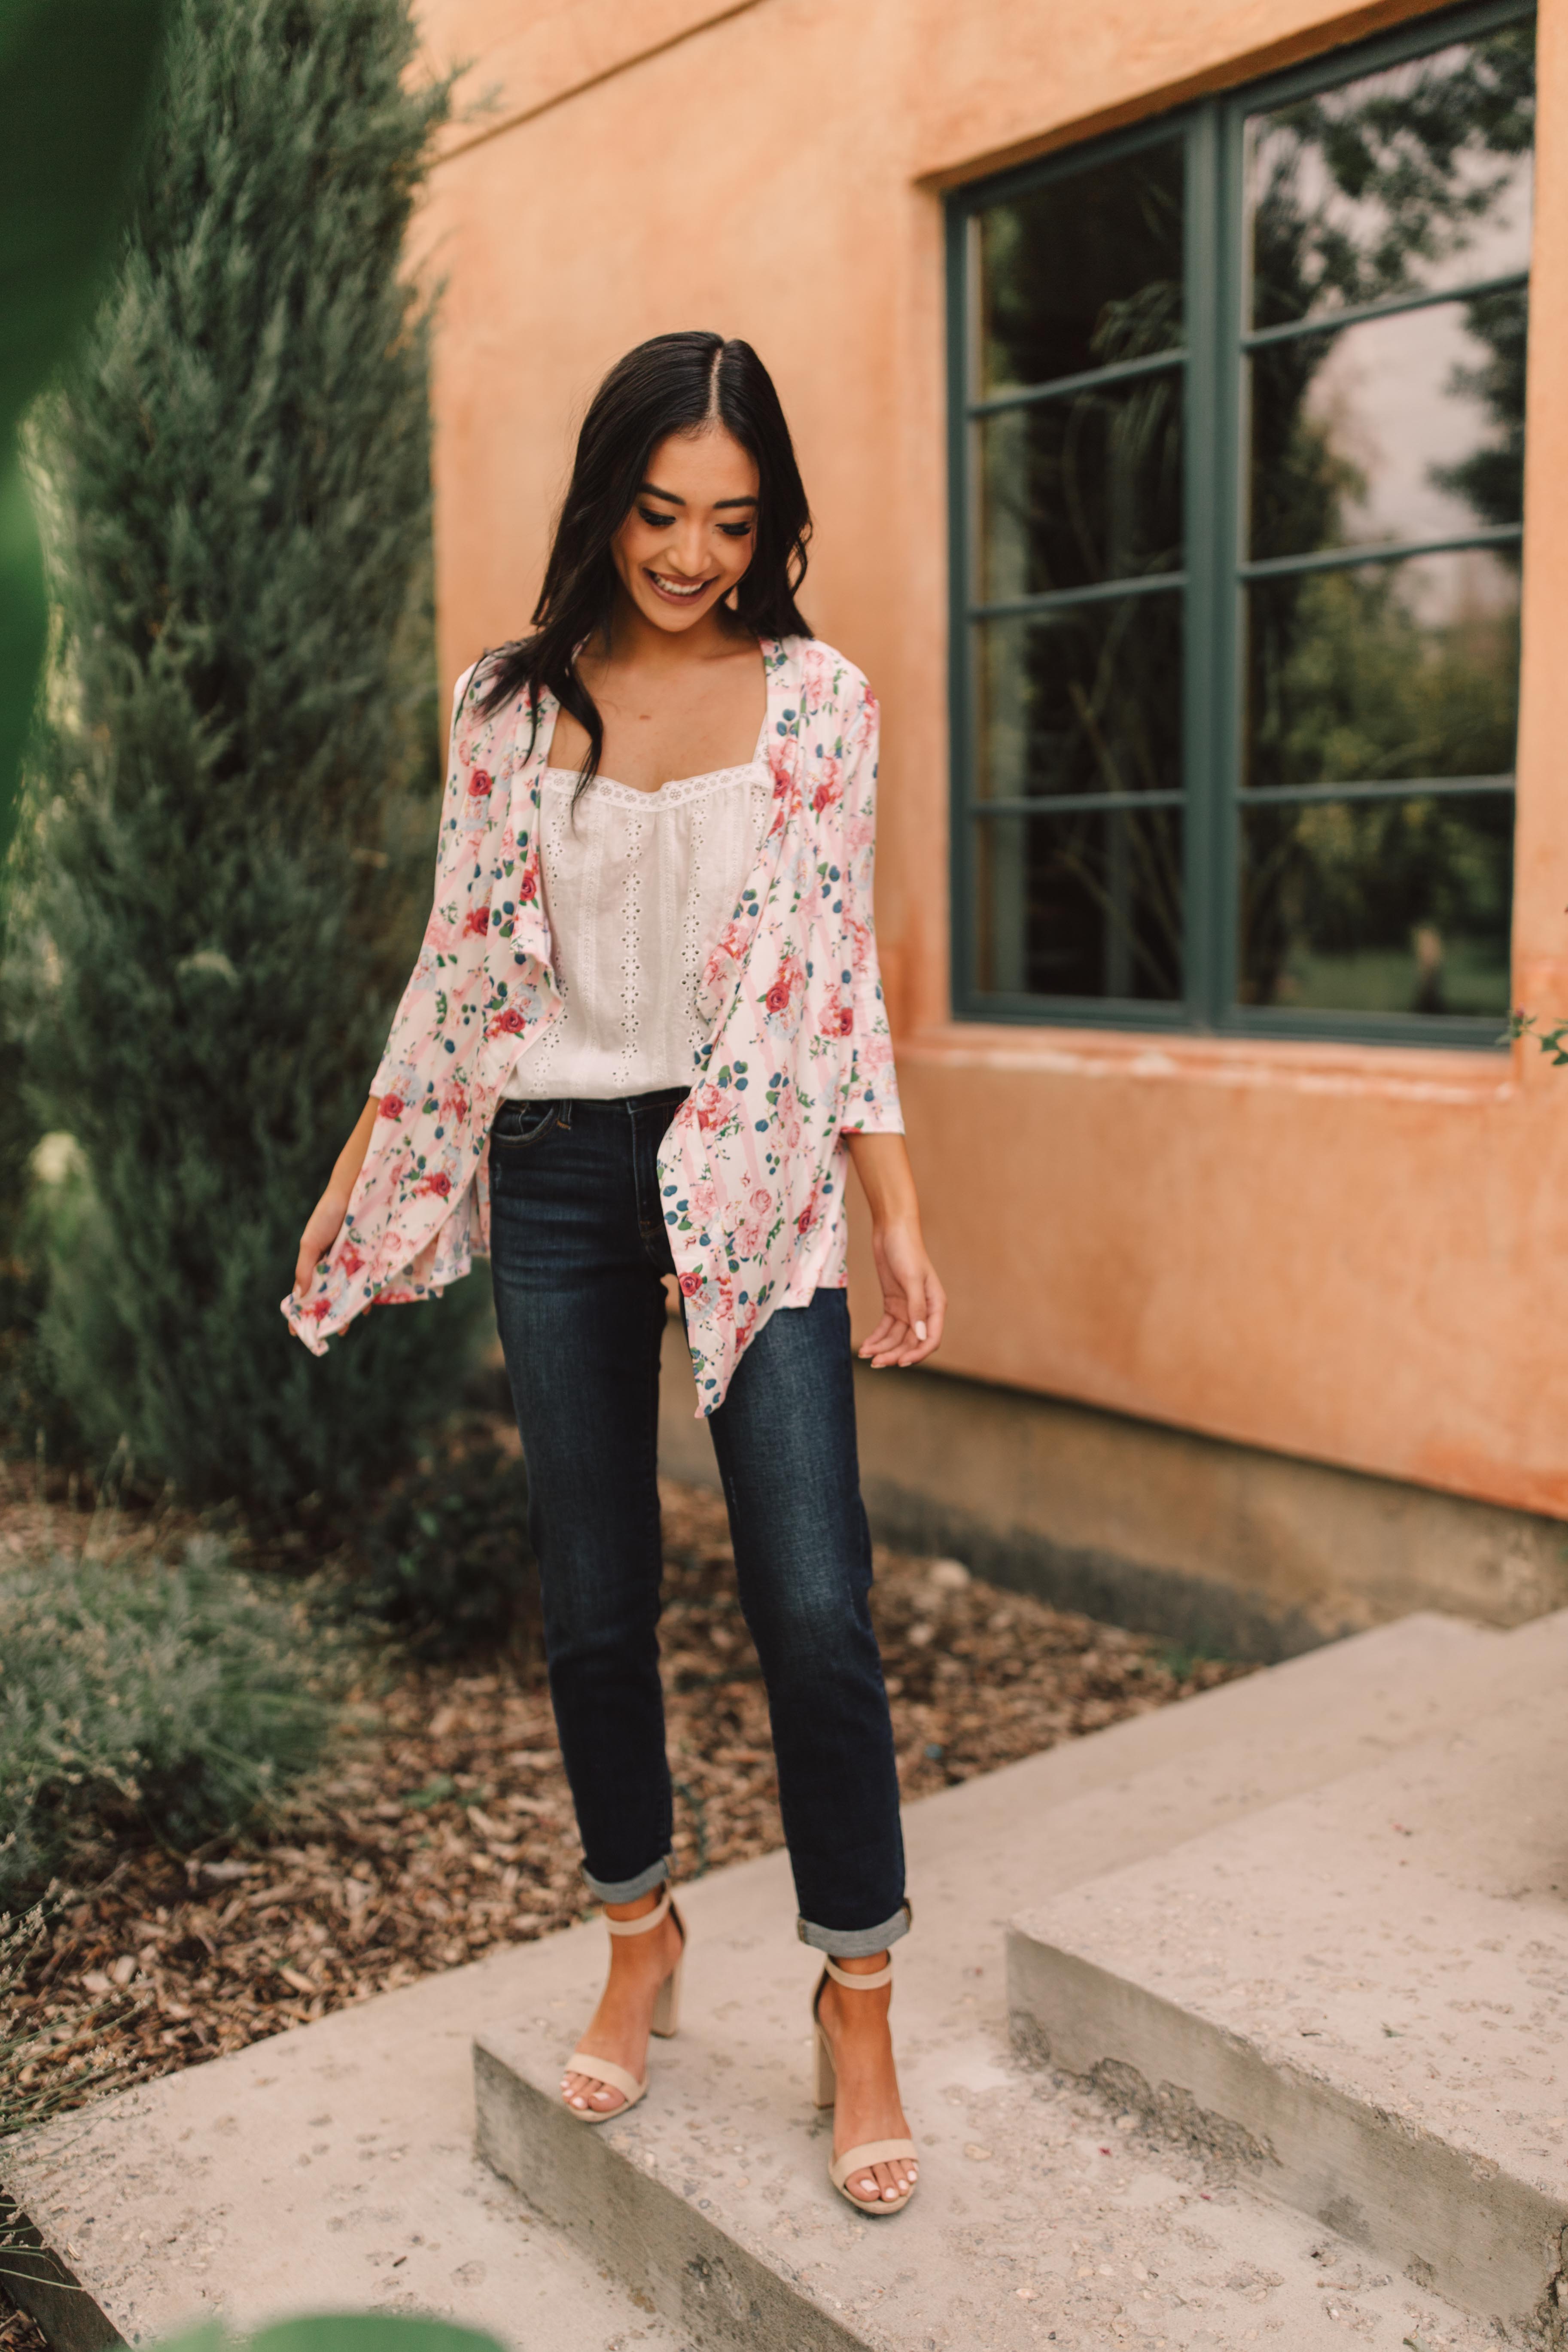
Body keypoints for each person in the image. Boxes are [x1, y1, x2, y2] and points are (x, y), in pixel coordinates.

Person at [287, 331, 946, 2217]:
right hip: (561, 1164)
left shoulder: (822, 703)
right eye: (661, 511)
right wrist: (356, 1181)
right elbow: (455, 979)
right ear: (606, 498)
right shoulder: (507, 707)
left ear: (769, 528)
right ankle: (638, 1929)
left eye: (731, 522)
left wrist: (891, 1204)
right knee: (593, 1596)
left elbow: (834, 980)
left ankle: (858, 1992)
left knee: (814, 1601)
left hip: (753, 1160)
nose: (690, 553)